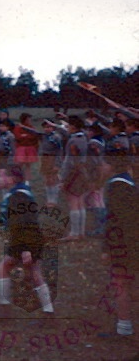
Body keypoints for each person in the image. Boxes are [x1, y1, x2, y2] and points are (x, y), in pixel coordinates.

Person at [0, 165, 54, 318]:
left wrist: (26, 249)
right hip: (29, 239)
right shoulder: (19, 194)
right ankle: (48, 312)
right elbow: (13, 216)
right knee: (33, 273)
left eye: (1, 175)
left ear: (11, 179)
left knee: (6, 269)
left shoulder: (18, 196)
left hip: (25, 240)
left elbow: (26, 220)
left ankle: (4, 309)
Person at [100, 142, 137, 337]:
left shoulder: (117, 187)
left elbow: (115, 221)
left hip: (124, 243)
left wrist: (108, 248)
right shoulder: (130, 183)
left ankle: (124, 328)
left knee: (120, 281)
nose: (102, 167)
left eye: (104, 163)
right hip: (133, 241)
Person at [16, 120, 65, 207]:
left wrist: (57, 164)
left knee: (52, 179)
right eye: (45, 127)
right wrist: (23, 127)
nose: (47, 129)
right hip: (45, 158)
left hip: (53, 158)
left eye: (49, 127)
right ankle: (49, 198)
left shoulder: (56, 137)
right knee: (47, 179)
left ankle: (54, 199)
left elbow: (59, 151)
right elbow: (33, 132)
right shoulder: (43, 136)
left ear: (53, 128)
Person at [58, 115, 89, 242]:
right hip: (82, 172)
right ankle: (81, 232)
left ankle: (74, 233)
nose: (67, 127)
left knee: (73, 202)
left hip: (74, 173)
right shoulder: (84, 138)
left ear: (73, 127)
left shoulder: (73, 141)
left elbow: (70, 161)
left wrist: (64, 178)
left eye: (68, 125)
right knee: (80, 202)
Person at [13, 113, 39, 181]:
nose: (29, 121)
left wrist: (25, 136)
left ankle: (27, 180)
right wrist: (26, 136)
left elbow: (34, 136)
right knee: (19, 164)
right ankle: (18, 178)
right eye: (28, 119)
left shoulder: (31, 127)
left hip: (30, 148)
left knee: (28, 165)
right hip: (21, 148)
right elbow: (18, 137)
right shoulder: (18, 127)